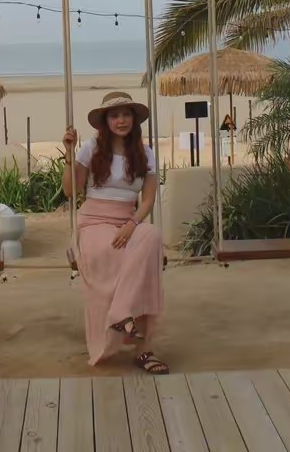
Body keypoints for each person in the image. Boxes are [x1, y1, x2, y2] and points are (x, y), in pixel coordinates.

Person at [62, 91, 168, 374]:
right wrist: (69, 155)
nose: (121, 120)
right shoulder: (91, 148)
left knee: (152, 236)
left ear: (134, 119)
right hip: (93, 223)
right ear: (105, 121)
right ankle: (138, 342)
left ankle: (130, 328)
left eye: (126, 115)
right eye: (114, 115)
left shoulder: (145, 153)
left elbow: (147, 200)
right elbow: (71, 191)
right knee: (127, 259)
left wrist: (132, 224)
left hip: (128, 221)